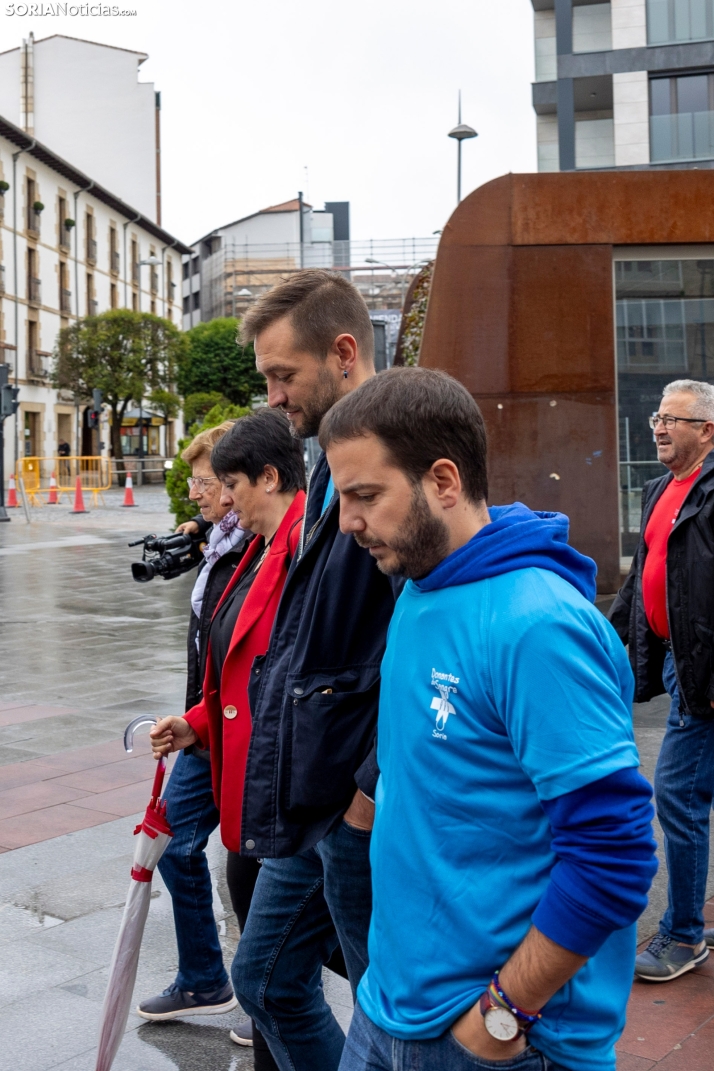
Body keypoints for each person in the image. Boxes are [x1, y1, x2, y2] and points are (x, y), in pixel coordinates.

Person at [318, 366, 657, 1071]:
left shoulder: (538, 626)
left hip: (499, 1041)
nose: (348, 521)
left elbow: (615, 853)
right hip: (388, 1009)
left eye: (366, 496)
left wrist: (502, 1014)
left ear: (443, 481)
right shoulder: (418, 585)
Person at [231, 270, 400, 1071]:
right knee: (264, 980)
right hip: (317, 791)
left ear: (343, 354)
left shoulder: (393, 456)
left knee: (386, 1019)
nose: (272, 396)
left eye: (282, 375)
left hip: (356, 801)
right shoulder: (328, 461)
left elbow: (429, 635)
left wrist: (368, 791)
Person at [149, 409, 306, 1067]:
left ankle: (231, 987)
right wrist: (200, 720)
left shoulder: (291, 546)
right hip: (230, 749)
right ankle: (235, 992)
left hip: (275, 777)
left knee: (286, 969)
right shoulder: (249, 547)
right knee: (272, 976)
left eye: (222, 484)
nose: (216, 498)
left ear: (264, 478)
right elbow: (241, 662)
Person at [137, 421, 250, 1022]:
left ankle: (260, 996)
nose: (196, 492)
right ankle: (210, 978)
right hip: (209, 722)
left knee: (252, 859)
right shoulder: (227, 539)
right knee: (176, 844)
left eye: (206, 482)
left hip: (233, 727)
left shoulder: (255, 550)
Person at [610, 379, 714, 982]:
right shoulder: (658, 490)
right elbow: (640, 580)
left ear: (706, 431)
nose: (658, 426)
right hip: (677, 658)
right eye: (657, 416)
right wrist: (603, 639)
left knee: (676, 794)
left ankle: (681, 935)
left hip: (706, 670)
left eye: (673, 418)